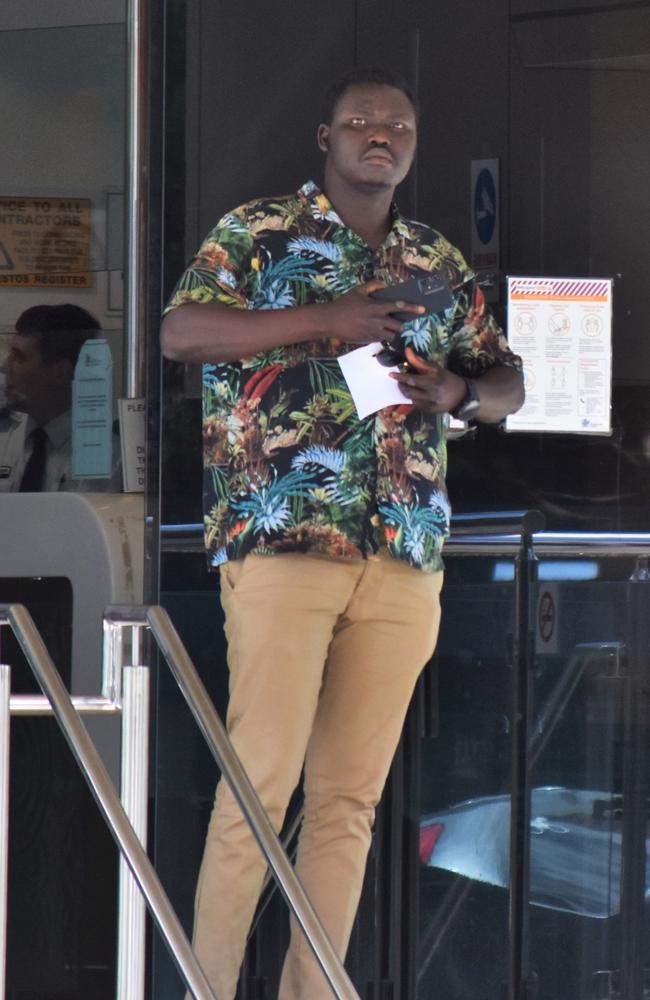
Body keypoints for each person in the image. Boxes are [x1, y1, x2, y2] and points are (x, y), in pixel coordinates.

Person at [161, 65, 524, 999]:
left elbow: (506, 379)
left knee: (349, 804)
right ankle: (208, 986)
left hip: (402, 555)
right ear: (324, 138)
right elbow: (181, 334)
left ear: (412, 145)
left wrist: (462, 395)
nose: (379, 133)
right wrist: (328, 318)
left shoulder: (437, 261)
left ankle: (312, 991)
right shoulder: (257, 231)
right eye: (358, 121)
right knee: (258, 790)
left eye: (396, 124)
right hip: (286, 547)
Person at [0, 303, 120, 492]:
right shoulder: (4, 437)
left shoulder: (107, 453)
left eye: (19, 358)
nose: (5, 367)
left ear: (60, 371)